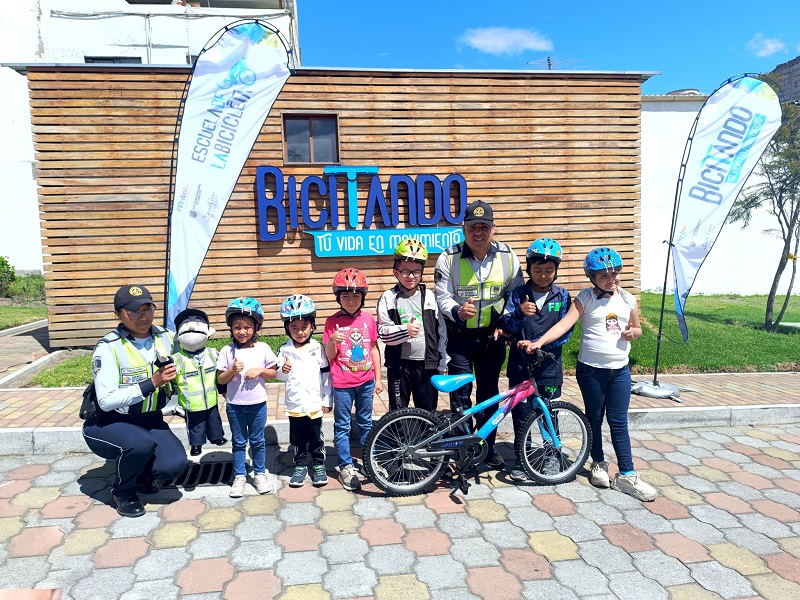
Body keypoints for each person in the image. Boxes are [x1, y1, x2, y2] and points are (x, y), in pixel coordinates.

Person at [523, 247, 658, 502]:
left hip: (620, 371)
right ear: (592, 277)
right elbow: (564, 324)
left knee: (618, 421)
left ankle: (627, 474)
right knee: (594, 418)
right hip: (591, 371)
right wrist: (539, 342)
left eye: (615, 273)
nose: (611, 278)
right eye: (604, 275)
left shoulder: (628, 299)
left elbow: (638, 327)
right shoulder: (585, 298)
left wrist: (634, 333)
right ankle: (598, 463)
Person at [82, 284, 187, 518]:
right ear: (118, 314)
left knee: (174, 465)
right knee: (140, 444)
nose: (143, 316)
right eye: (134, 311)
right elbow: (106, 401)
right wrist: (152, 383)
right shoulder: (108, 347)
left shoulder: (167, 337)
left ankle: (142, 475)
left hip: (150, 419)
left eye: (148, 309)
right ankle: (123, 492)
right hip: (108, 422)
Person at [434, 200, 524, 470]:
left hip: (491, 339)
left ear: (493, 228)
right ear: (463, 228)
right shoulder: (448, 257)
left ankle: (486, 448)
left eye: (484, 227)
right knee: (461, 394)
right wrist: (457, 311)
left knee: (489, 394)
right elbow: (442, 296)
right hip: (459, 337)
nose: (478, 233)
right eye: (473, 227)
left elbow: (515, 296)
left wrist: (505, 324)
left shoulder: (508, 257)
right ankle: (461, 448)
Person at [496, 238, 573, 481]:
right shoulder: (519, 294)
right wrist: (520, 314)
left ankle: (552, 455)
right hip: (520, 365)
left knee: (549, 411)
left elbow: (565, 332)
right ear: (529, 268)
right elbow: (507, 325)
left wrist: (539, 344)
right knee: (521, 412)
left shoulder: (562, 296)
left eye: (549, 270)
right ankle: (522, 457)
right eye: (538, 270)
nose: (543, 275)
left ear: (556, 271)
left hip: (549, 365)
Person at [323, 268, 384, 491]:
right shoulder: (332, 321)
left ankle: (369, 461)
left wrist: (378, 379)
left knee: (366, 422)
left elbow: (374, 349)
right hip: (342, 384)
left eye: (356, 296)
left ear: (363, 297)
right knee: (343, 425)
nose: (351, 300)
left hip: (366, 381)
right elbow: (330, 356)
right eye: (346, 296)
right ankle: (345, 466)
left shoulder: (368, 319)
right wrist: (332, 340)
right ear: (338, 297)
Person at [216, 297, 279, 497]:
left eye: (247, 327)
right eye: (237, 327)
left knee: (258, 440)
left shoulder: (263, 348)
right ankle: (240, 475)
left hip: (257, 404)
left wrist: (261, 370)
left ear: (256, 327)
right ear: (231, 328)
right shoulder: (227, 351)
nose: (242, 332)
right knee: (239, 441)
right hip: (234, 405)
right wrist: (232, 370)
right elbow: (220, 379)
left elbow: (273, 373)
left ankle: (259, 474)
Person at [377, 239, 447, 413]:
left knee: (427, 413)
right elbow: (383, 332)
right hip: (399, 366)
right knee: (397, 413)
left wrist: (442, 362)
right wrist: (405, 331)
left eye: (416, 271)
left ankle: (426, 433)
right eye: (405, 271)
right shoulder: (388, 297)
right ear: (396, 273)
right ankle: (399, 433)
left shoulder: (430, 296)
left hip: (427, 365)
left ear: (422, 272)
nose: (411, 276)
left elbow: (442, 331)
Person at [276, 294, 332, 488]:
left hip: (314, 402)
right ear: (287, 328)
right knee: (297, 437)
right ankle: (300, 465)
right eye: (294, 328)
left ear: (312, 326)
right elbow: (279, 377)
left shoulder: (318, 348)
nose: (300, 332)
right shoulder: (284, 350)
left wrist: (327, 399)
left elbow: (326, 375)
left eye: (304, 327)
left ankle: (318, 464)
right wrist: (283, 370)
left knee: (316, 436)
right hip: (295, 403)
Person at [171, 308, 227, 457]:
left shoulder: (212, 353)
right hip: (192, 403)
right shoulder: (178, 358)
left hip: (211, 399)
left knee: (214, 420)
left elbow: (222, 370)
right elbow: (169, 375)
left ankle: (217, 437)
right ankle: (196, 445)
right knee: (195, 425)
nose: (191, 325)